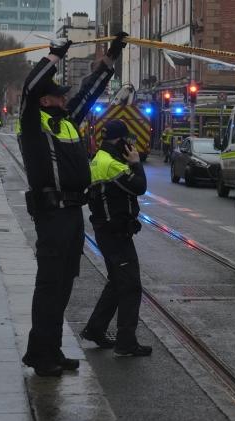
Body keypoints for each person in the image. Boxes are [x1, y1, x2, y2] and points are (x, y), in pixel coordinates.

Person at [20, 33, 129, 377]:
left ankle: (51, 349)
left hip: (71, 213)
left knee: (64, 284)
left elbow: (89, 91)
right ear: (45, 100)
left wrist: (111, 57)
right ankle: (40, 355)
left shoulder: (67, 121)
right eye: (58, 95)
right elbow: (29, 87)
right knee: (50, 285)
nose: (65, 99)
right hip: (51, 213)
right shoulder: (33, 122)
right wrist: (54, 55)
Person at [80, 119, 152, 357]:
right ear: (119, 140)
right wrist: (136, 163)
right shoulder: (112, 165)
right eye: (127, 139)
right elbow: (139, 186)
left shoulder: (99, 158)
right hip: (116, 233)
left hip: (107, 230)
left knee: (116, 282)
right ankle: (126, 342)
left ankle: (95, 329)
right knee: (130, 286)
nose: (130, 143)